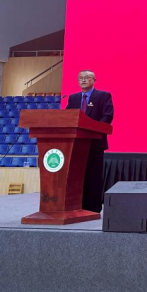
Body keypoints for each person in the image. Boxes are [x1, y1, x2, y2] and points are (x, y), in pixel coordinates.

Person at [65, 70, 114, 212]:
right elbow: (68, 116)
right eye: (80, 78)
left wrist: (91, 129)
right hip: (76, 144)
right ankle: (76, 205)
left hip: (95, 143)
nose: (83, 80)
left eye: (87, 77)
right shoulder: (73, 98)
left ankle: (93, 207)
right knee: (77, 175)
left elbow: (107, 116)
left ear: (94, 80)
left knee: (93, 176)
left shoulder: (103, 96)